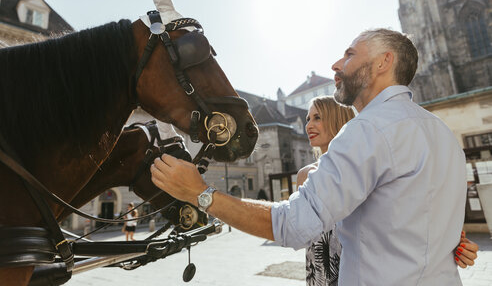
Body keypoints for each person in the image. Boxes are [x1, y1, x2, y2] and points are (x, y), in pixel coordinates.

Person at [151, 28, 470, 285]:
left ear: (383, 62)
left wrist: (199, 193)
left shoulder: (368, 129)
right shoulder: (442, 133)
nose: (336, 65)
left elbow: (292, 225)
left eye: (349, 54)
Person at [298, 96, 478, 285]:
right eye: (308, 119)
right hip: (321, 275)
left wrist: (451, 244)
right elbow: (304, 236)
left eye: (317, 117)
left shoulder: (366, 167)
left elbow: (404, 223)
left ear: (337, 118)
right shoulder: (306, 175)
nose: (309, 125)